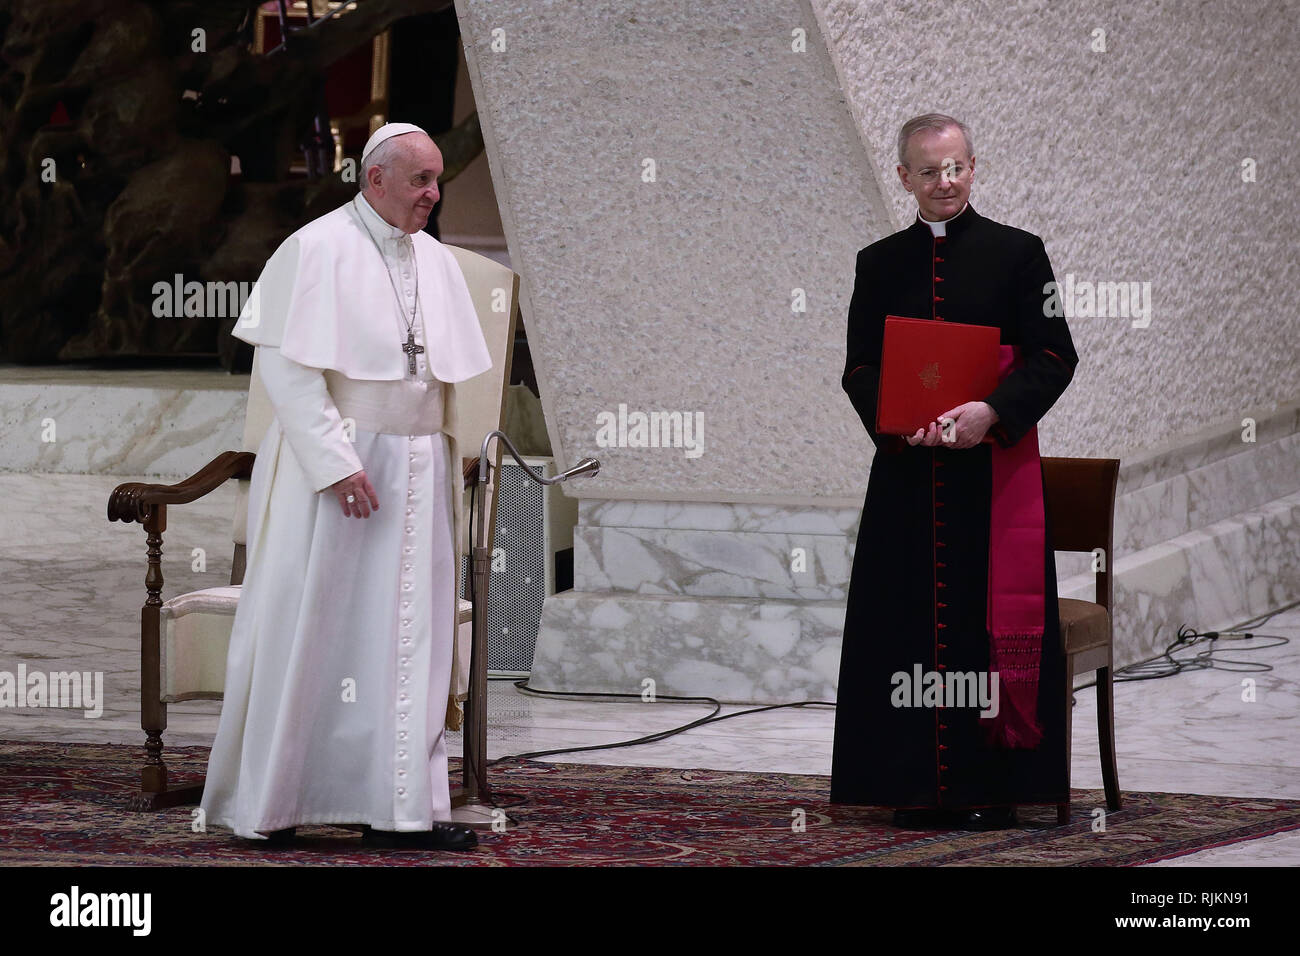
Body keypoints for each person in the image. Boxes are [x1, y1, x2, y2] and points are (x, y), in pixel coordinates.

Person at [199, 123, 492, 850]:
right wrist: (335, 462)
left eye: (437, 180)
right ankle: (274, 803)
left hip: (420, 466)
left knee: (408, 637)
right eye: (421, 180)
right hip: (336, 469)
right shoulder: (314, 247)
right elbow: (288, 372)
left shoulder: (435, 259)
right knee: (316, 629)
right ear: (375, 180)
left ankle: (400, 811)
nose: (433, 194)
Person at [830, 114, 1079, 830]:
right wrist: (897, 417)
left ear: (975, 167)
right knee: (905, 625)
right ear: (903, 177)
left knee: (976, 623)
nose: (945, 183)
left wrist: (990, 412)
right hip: (908, 479)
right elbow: (857, 366)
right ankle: (907, 788)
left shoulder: (1021, 255)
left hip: (992, 483)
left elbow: (1056, 355)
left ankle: (989, 789)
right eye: (929, 172)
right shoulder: (878, 263)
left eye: (957, 169)